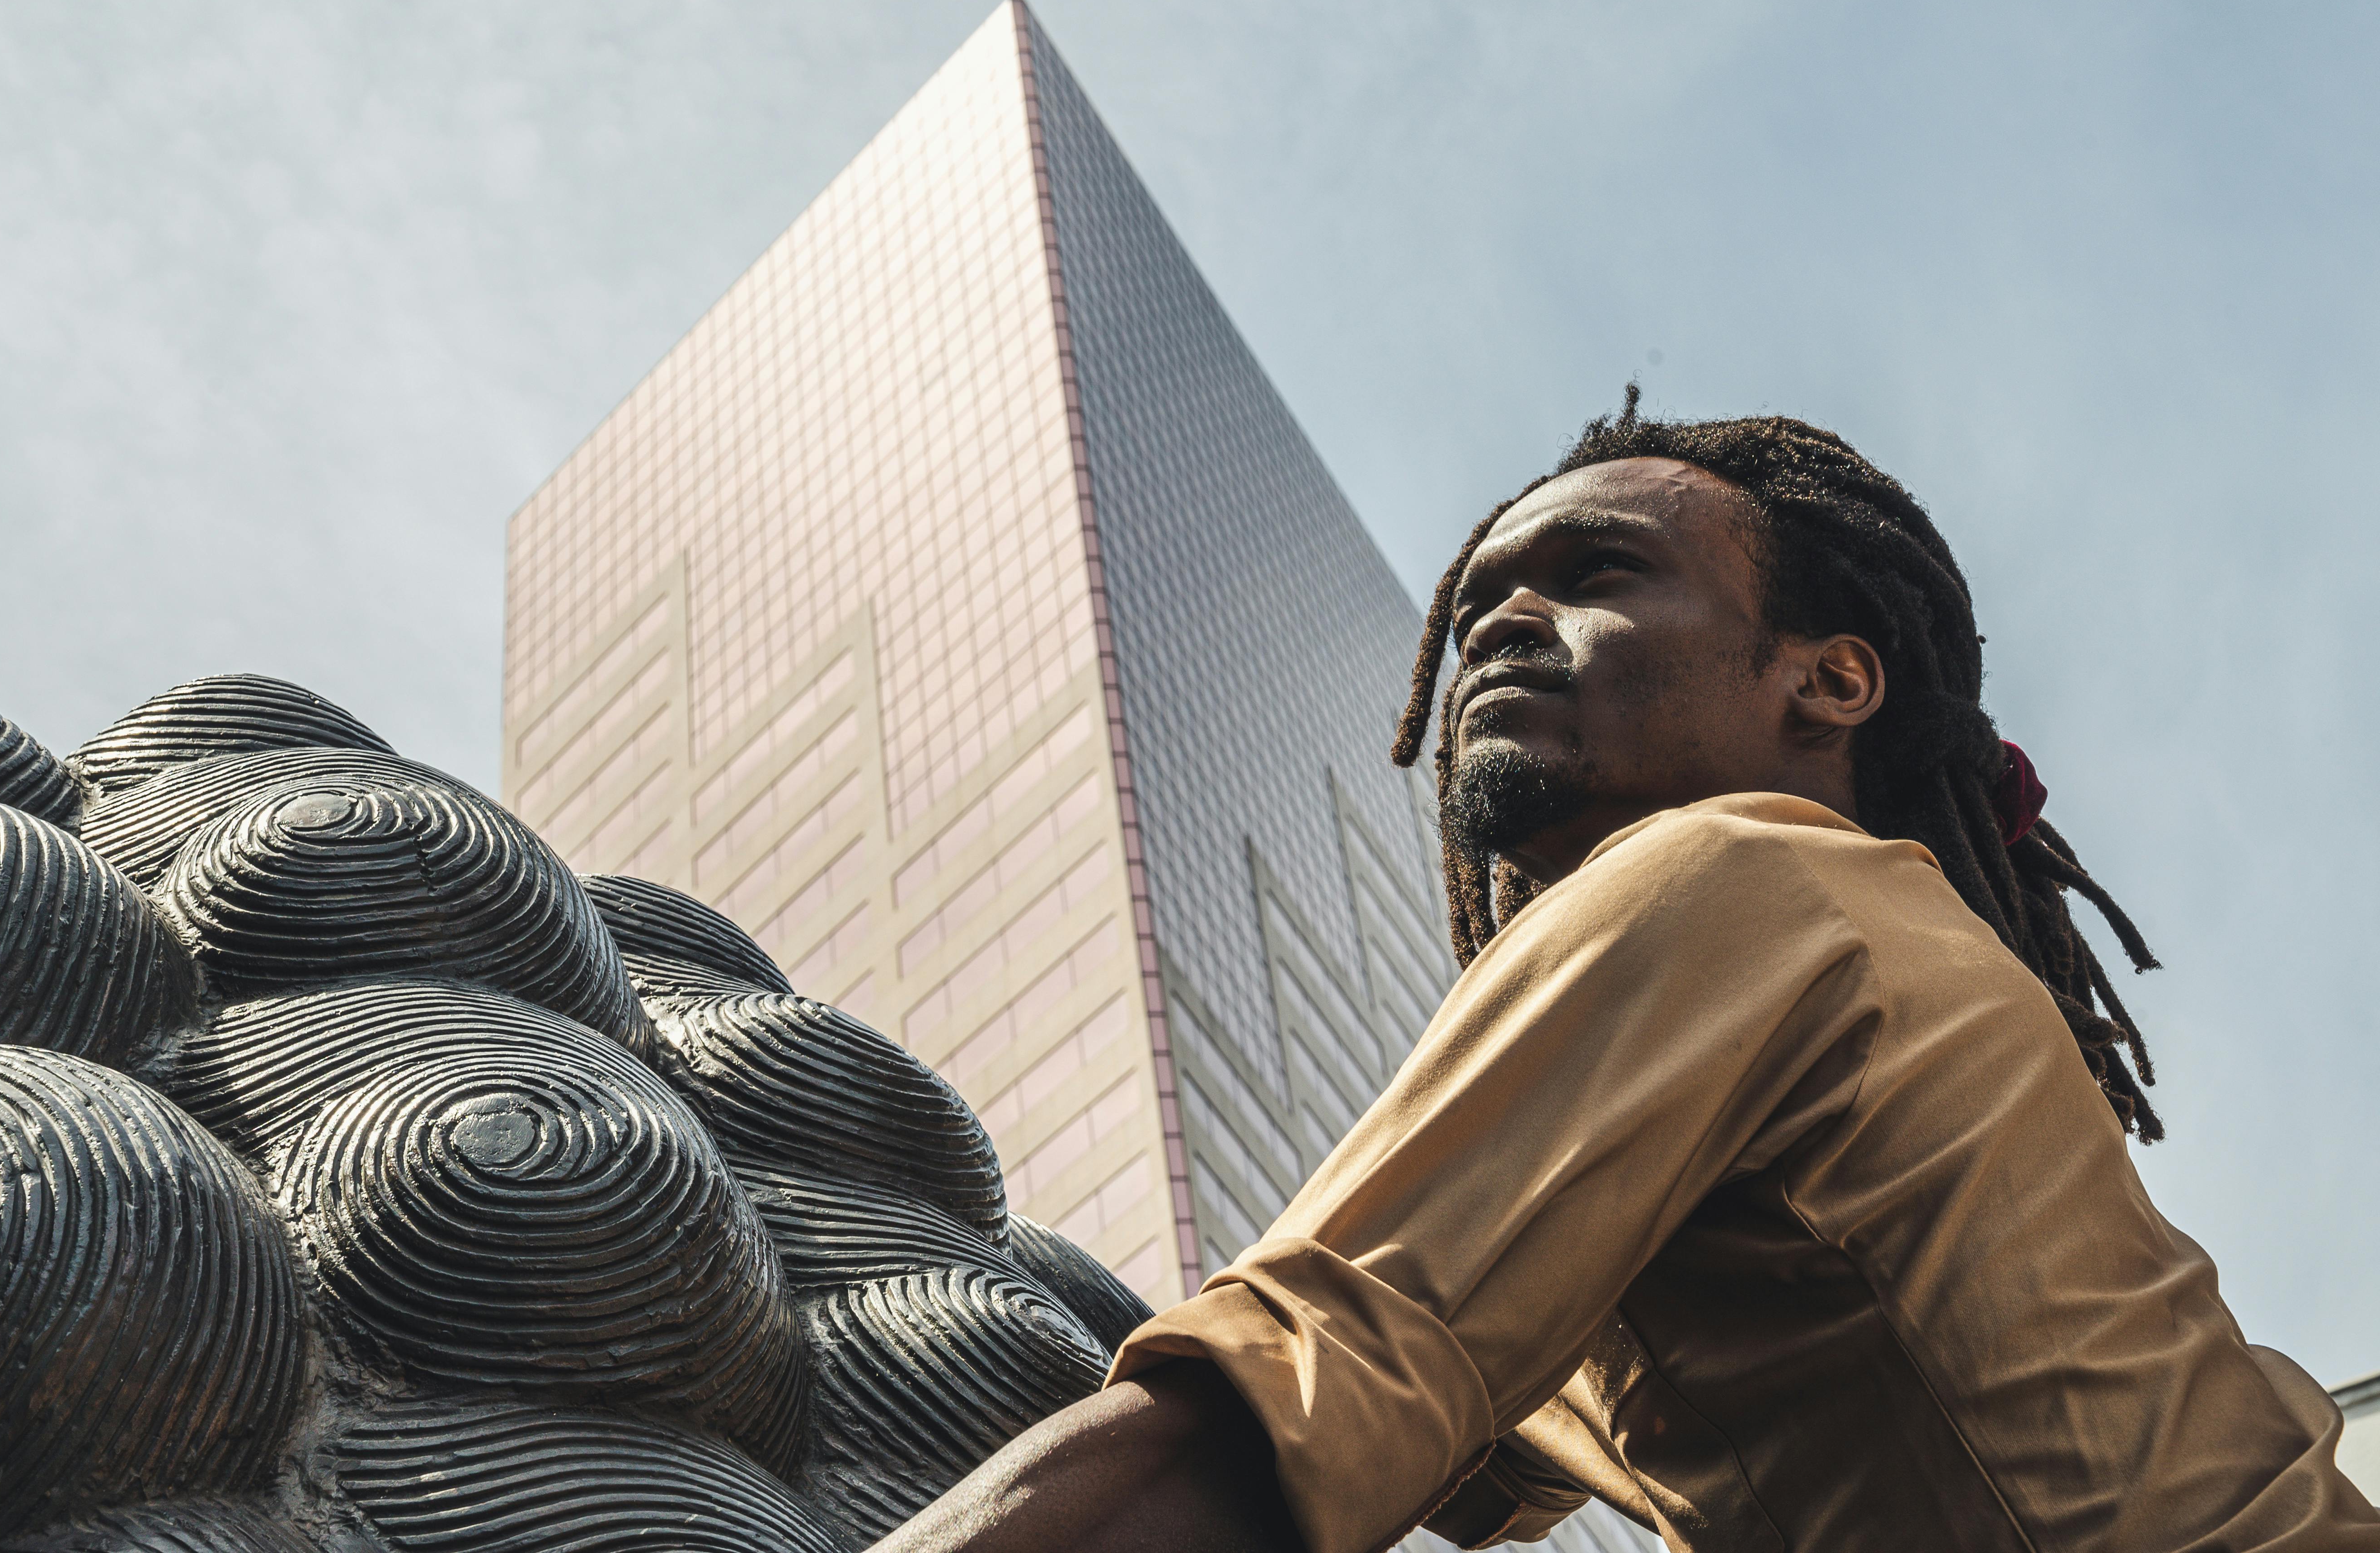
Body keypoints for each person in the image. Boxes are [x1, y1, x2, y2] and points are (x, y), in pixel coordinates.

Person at [878, 396, 2377, 1552]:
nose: (1499, 623)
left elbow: (1276, 1410)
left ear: (1829, 679)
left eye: (1596, 573)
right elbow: (1449, 1440)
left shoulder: (1743, 877)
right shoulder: (1825, 979)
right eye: (1478, 604)